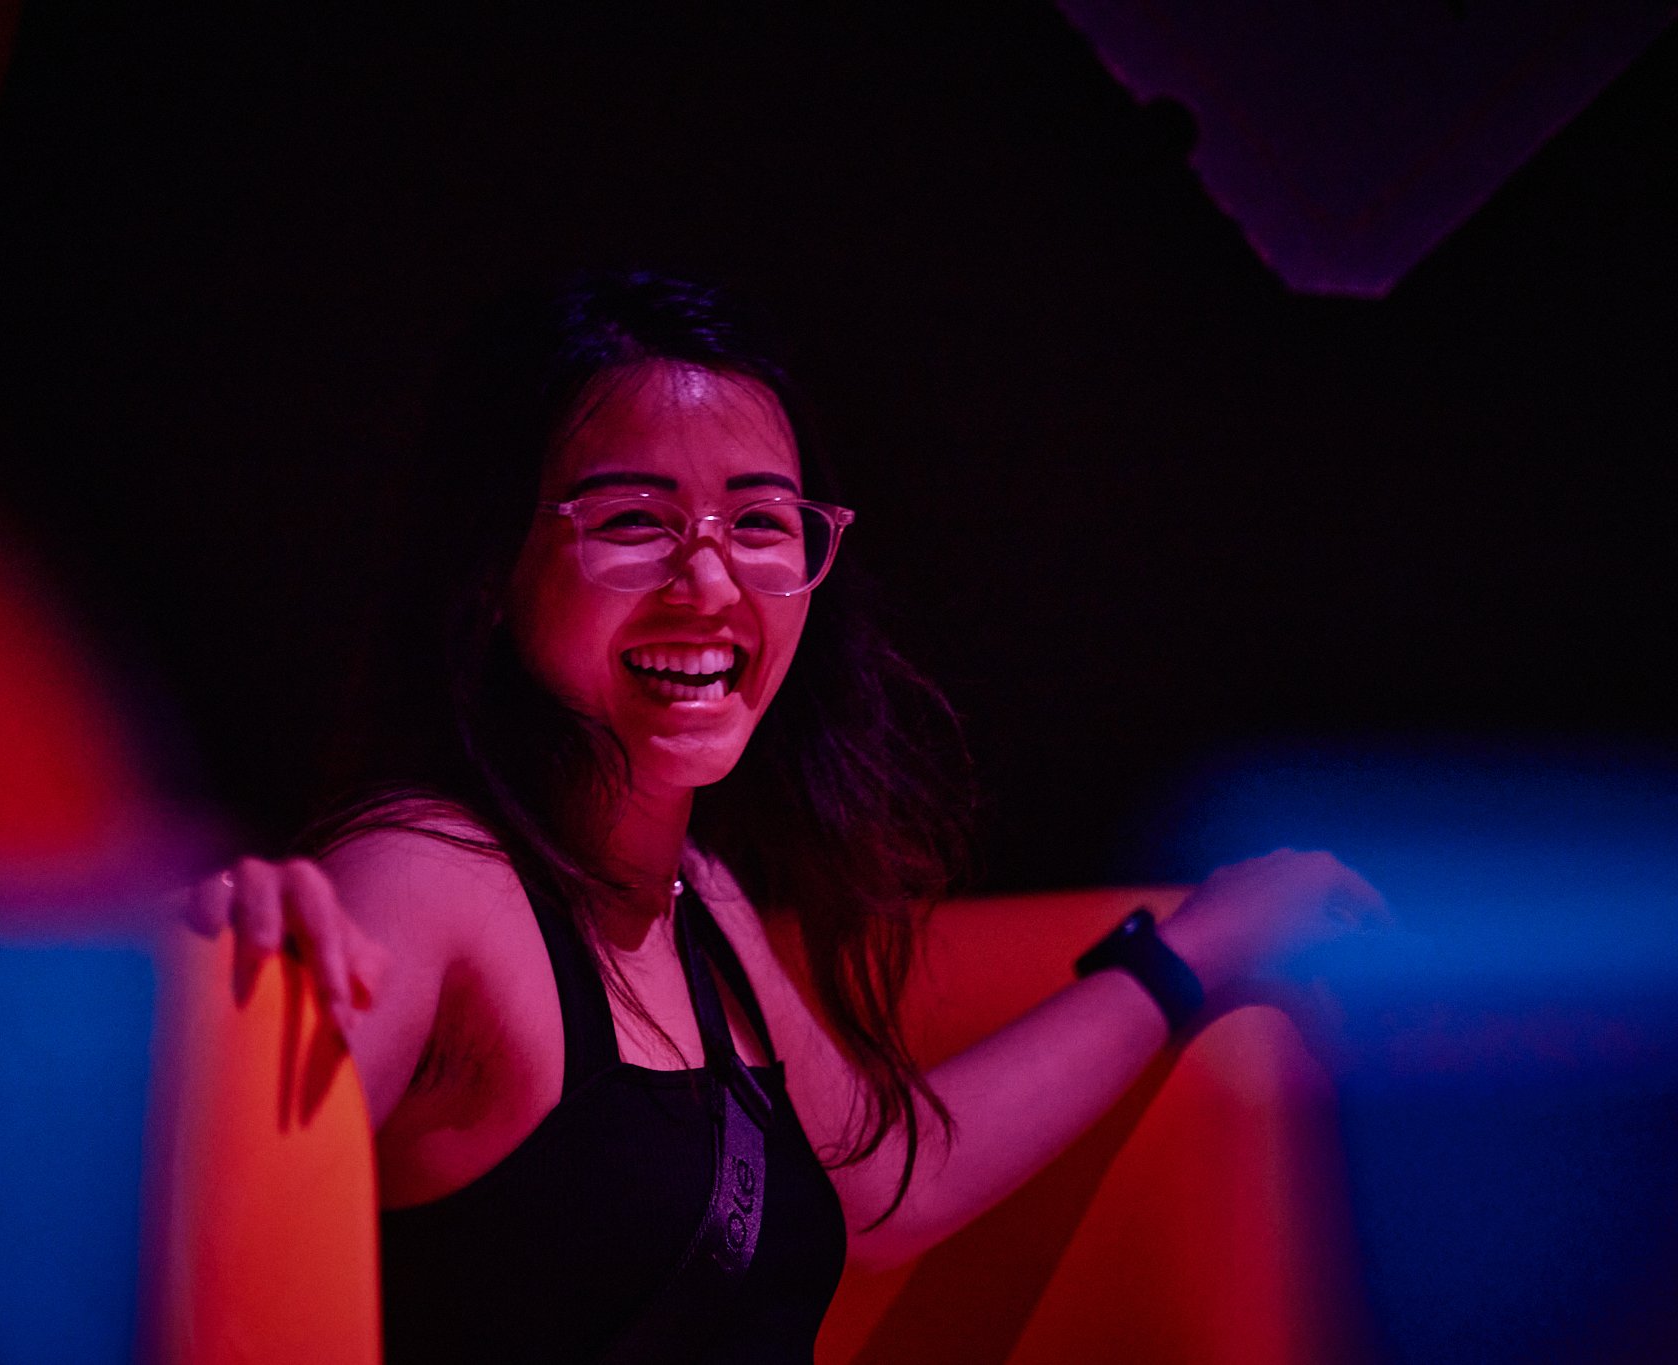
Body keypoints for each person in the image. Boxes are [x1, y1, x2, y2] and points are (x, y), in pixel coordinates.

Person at [186, 270, 1385, 1363]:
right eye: (633, 521)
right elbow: (161, 1206)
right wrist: (171, 992)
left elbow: (893, 1185)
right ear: (493, 560)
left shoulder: (691, 893)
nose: (707, 586)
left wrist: (1190, 952)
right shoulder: (422, 877)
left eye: (758, 523)